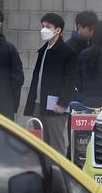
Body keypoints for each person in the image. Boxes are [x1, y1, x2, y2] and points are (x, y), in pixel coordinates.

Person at [24, 13, 79, 154]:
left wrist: (63, 103)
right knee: (37, 143)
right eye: (43, 26)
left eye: (48, 27)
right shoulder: (43, 51)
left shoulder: (67, 53)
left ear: (58, 30)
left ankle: (59, 172)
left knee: (55, 143)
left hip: (55, 106)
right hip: (38, 103)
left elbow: (70, 80)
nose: (44, 30)